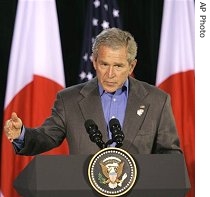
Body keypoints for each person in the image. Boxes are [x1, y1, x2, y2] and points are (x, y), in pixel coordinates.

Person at [4, 27, 181, 155]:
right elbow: (46, 137)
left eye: (118, 66)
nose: (110, 74)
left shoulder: (156, 100)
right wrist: (21, 134)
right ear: (95, 62)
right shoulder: (69, 100)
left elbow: (170, 154)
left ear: (131, 66)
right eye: (104, 64)